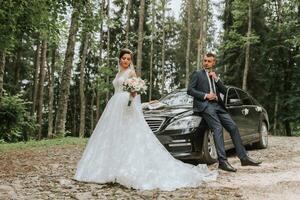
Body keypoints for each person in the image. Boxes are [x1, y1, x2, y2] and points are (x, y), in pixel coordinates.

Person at [74, 48, 217, 191]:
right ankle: (109, 170)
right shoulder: (119, 73)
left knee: (129, 136)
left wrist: (133, 95)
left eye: (128, 59)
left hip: (126, 105)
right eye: (123, 58)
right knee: (113, 136)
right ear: (119, 59)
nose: (126, 61)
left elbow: (134, 93)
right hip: (114, 106)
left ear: (131, 61)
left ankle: (127, 170)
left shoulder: (131, 73)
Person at [187, 52, 262, 172]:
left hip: (218, 106)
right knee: (217, 128)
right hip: (205, 105)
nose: (206, 63)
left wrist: (216, 79)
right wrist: (206, 95)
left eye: (209, 61)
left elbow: (225, 90)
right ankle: (222, 162)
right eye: (205, 60)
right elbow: (190, 90)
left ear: (213, 62)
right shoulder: (197, 74)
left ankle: (243, 158)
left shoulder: (214, 76)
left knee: (232, 126)